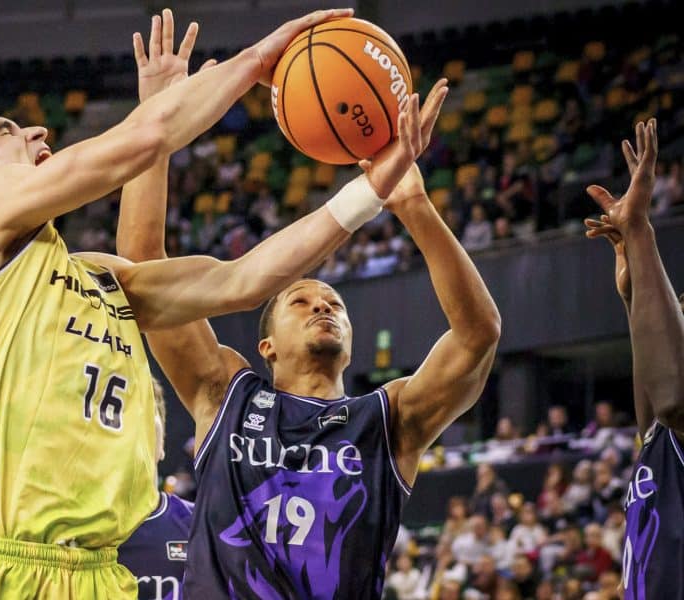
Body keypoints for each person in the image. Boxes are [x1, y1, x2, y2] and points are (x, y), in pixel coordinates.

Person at [0, 7, 439, 598]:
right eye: (5, 131)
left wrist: (372, 188)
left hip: (100, 576)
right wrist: (258, 61)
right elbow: (142, 141)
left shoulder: (103, 278)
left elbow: (244, 280)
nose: (36, 132)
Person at [118, 104, 495, 598]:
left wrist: (416, 207)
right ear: (266, 346)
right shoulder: (226, 394)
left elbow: (477, 336)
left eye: (334, 304)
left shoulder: (387, 421)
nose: (323, 307)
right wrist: (156, 116)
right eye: (301, 301)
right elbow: (143, 270)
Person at [583, 118, 684, 599]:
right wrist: (632, 295)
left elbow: (672, 397)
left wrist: (641, 230)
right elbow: (654, 414)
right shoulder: (664, 437)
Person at [118, 382, 193, 600]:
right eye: (122, 412)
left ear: (162, 443)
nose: (134, 425)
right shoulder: (69, 535)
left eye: (145, 411)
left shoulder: (202, 527)